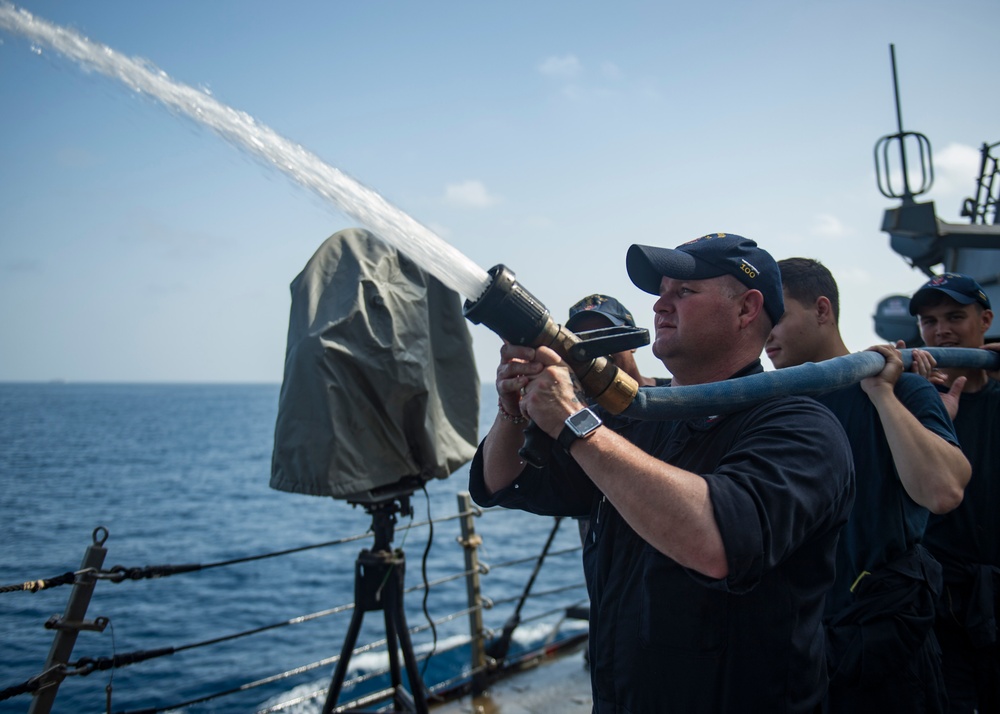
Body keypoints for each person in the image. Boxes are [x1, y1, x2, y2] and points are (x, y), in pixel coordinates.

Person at [470, 232, 856, 712]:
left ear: (747, 309)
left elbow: (717, 542)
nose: (660, 306)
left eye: (684, 293)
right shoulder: (636, 424)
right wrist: (513, 411)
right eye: (660, 293)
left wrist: (574, 421)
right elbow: (504, 482)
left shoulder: (801, 427)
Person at [766, 257, 970, 713]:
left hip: (882, 645)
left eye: (777, 317)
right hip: (798, 642)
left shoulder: (902, 392)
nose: (766, 335)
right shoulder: (771, 407)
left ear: (822, 310)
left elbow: (943, 492)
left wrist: (880, 394)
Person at [909, 272, 1000, 713]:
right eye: (929, 321)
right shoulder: (913, 403)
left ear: (986, 319)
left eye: (954, 316)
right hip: (942, 596)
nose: (941, 330)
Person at [564, 293, 662, 387]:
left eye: (607, 336)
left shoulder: (673, 391)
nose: (596, 348)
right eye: (584, 340)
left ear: (633, 341)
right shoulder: (573, 401)